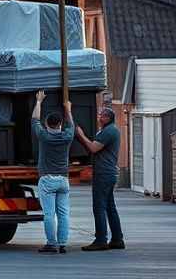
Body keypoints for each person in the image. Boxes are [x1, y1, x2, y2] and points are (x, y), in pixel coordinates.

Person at [76, 107, 124, 251]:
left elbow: (93, 148)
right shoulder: (108, 130)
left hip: (104, 174)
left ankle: (101, 240)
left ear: (108, 118)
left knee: (99, 207)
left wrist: (80, 135)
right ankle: (117, 239)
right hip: (108, 173)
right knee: (110, 207)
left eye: (101, 116)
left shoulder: (109, 131)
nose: (98, 118)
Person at [32, 90, 75, 254]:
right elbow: (71, 125)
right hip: (63, 180)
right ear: (60, 125)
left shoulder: (44, 136)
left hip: (47, 180)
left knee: (49, 214)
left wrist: (38, 102)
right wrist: (68, 109)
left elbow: (35, 119)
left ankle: (51, 243)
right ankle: (63, 243)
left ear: (47, 124)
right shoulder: (67, 137)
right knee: (63, 213)